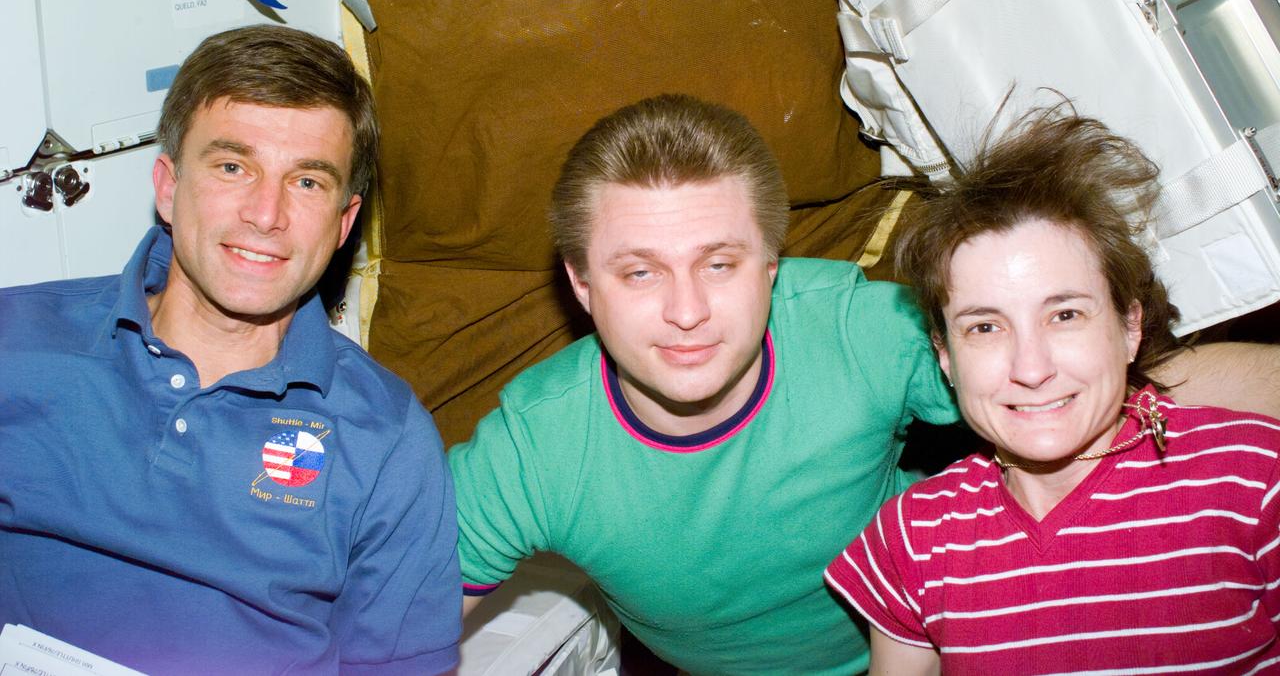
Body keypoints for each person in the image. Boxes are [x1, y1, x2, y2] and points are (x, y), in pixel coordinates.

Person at [450, 94, 1278, 675]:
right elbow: (402, 627)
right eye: (639, 272)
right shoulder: (533, 446)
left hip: (953, 637)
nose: (688, 311)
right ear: (582, 283)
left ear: (772, 267)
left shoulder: (856, 328)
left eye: (720, 262)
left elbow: (1070, 375)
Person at [0, 26, 461, 673]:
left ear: (343, 223)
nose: (265, 212)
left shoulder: (384, 437)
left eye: (306, 182)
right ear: (167, 186)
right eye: (232, 166)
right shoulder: (16, 344)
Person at [825, 110, 1280, 673]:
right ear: (944, 355)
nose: (1031, 368)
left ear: (1130, 326)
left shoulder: (1256, 477)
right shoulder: (914, 535)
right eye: (985, 327)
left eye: (1064, 314)